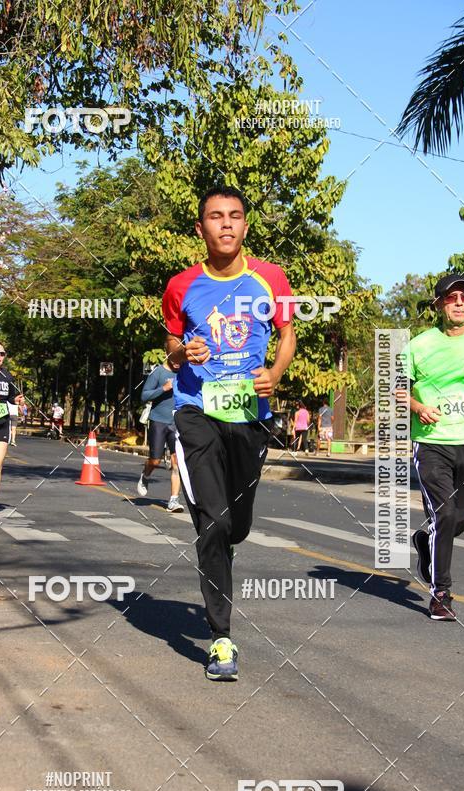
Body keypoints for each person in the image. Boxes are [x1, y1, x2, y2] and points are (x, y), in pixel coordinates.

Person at [164, 185, 295, 681]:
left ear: (245, 226)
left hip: (249, 413)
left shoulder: (270, 278)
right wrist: (182, 355)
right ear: (200, 229)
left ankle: (227, 539)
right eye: (215, 217)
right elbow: (171, 344)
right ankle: (221, 638)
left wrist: (276, 374)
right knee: (213, 524)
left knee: (237, 525)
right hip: (196, 410)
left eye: (234, 216)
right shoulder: (180, 285)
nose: (225, 224)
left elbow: (287, 333)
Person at [407, 275, 464, 620]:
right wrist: (418, 407)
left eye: (463, 297)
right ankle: (441, 594)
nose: (457, 303)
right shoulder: (418, 346)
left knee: (459, 520)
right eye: (450, 297)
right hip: (432, 442)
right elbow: (394, 389)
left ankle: (427, 542)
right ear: (439, 305)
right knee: (445, 514)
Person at [137, 357, 184, 512]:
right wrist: (164, 388)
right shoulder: (158, 372)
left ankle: (173, 500)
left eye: (181, 358)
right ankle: (146, 473)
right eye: (176, 358)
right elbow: (144, 396)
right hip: (158, 421)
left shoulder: (186, 372)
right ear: (168, 354)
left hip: (177, 423)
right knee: (155, 461)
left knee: (177, 462)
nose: (178, 362)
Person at [0, 340, 24, 516]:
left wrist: (15, 400)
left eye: (2, 353)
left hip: (1, 423)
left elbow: (10, 397)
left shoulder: (7, 376)